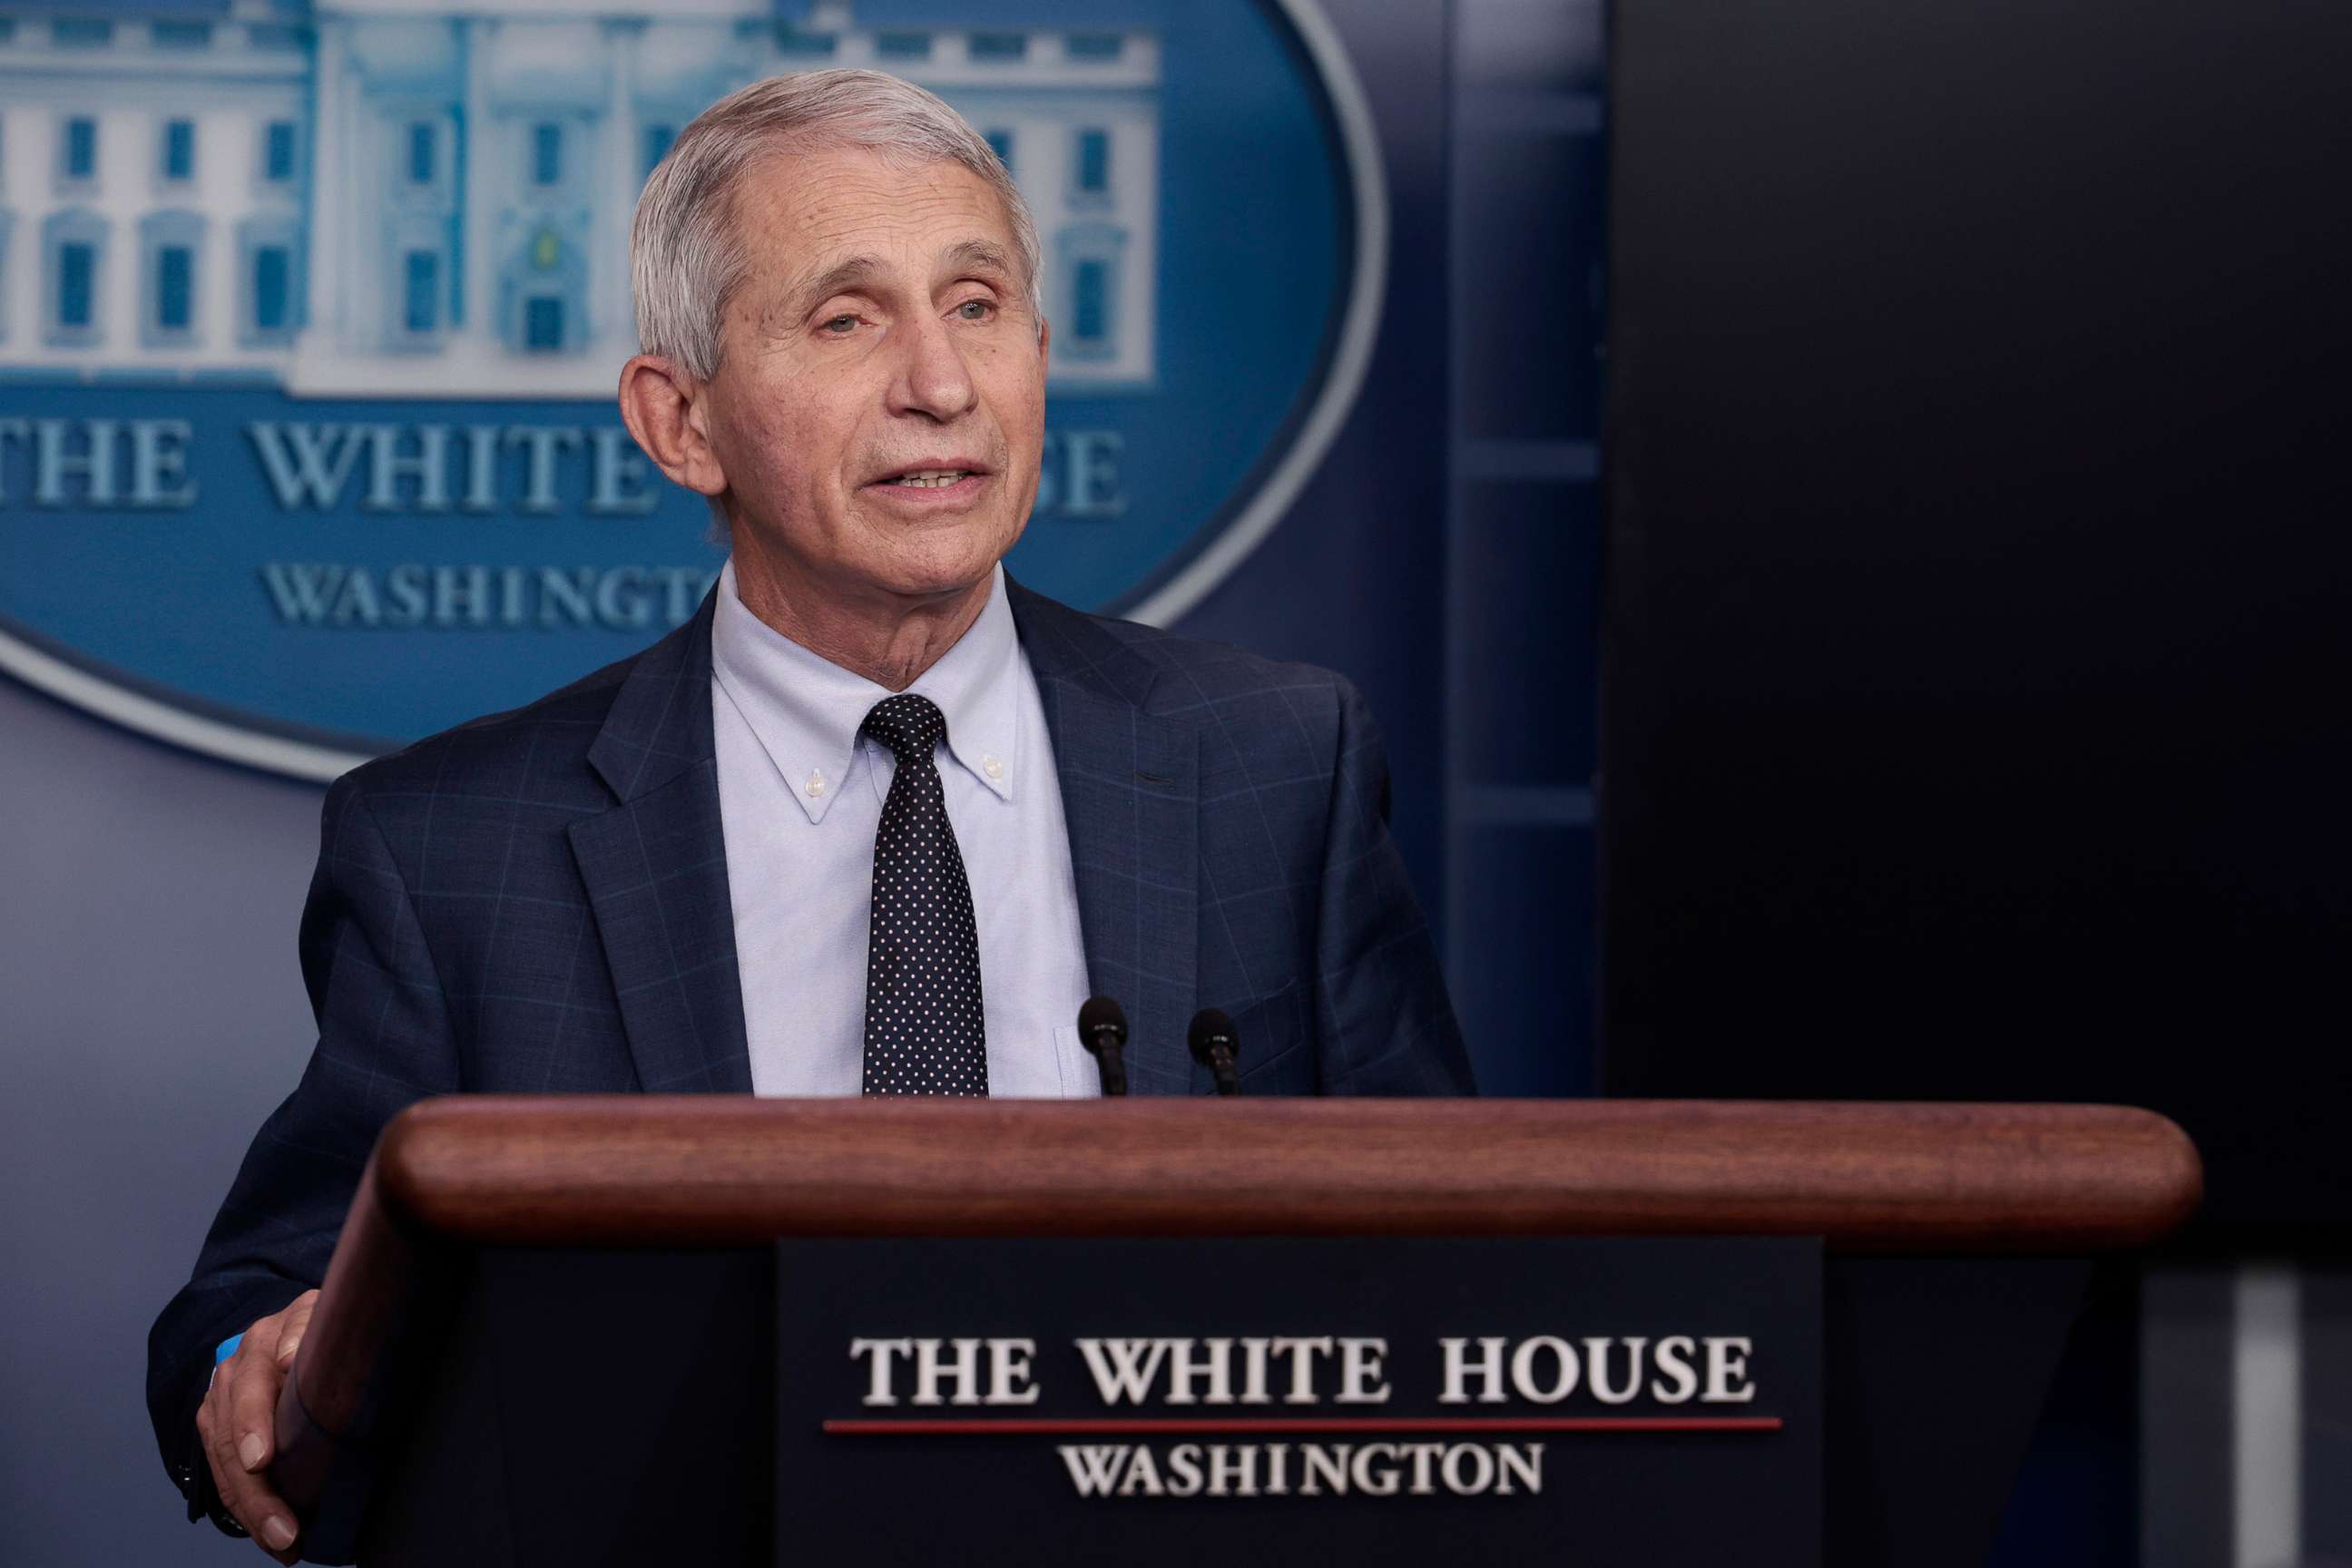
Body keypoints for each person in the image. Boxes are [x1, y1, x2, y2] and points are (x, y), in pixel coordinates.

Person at [149, 68, 1472, 1553]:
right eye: (849, 320)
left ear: (1040, 353)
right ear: (682, 421)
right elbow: (260, 1300)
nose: (941, 383)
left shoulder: (1277, 763)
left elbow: (1453, 1257)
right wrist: (241, 1367)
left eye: (977, 307)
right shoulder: (456, 844)